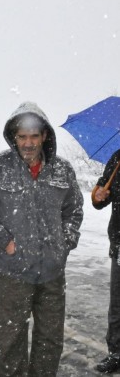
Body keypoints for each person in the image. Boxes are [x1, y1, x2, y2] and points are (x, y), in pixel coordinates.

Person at [0, 102, 84, 377]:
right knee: (11, 342)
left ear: (44, 136)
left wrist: (64, 243)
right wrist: (5, 241)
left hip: (53, 274)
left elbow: (74, 210)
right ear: (14, 137)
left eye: (34, 136)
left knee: (50, 341)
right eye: (22, 136)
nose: (28, 143)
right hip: (13, 274)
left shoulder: (62, 170)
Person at [92, 149, 120, 373]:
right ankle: (116, 353)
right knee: (118, 305)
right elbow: (101, 193)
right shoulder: (118, 158)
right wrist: (99, 195)